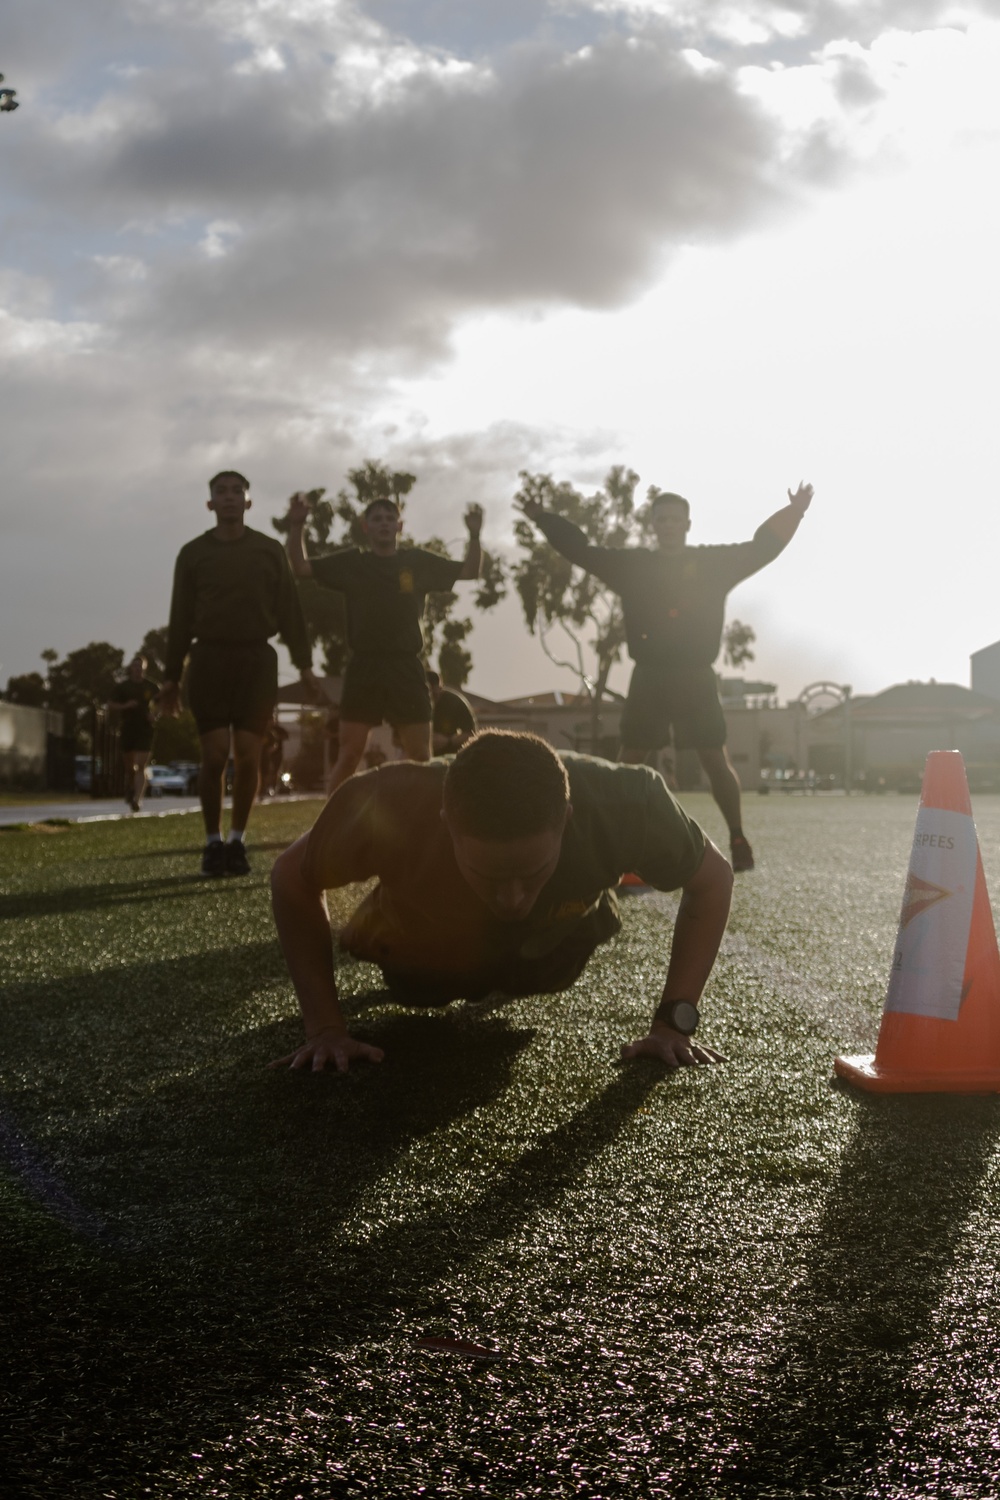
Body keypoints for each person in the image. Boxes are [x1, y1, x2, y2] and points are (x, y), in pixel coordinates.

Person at [270, 729, 733, 1075]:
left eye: (530, 874)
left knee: (546, 966)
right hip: (425, 954)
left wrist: (675, 1022)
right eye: (491, 876)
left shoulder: (629, 801)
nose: (512, 900)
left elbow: (713, 879)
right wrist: (326, 1028)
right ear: (446, 822)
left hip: (555, 951)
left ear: (566, 820)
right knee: (418, 989)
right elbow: (291, 877)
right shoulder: (389, 801)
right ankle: (382, 916)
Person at [518, 482, 815, 871]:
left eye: (676, 519)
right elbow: (580, 550)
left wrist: (794, 512)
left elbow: (762, 547)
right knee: (632, 761)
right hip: (650, 676)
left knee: (714, 758)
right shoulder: (633, 566)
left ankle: (738, 837)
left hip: (697, 676)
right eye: (663, 519)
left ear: (688, 524)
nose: (670, 526)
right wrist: (543, 518)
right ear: (653, 524)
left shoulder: (713, 565)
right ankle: (620, 842)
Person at [159, 471, 320, 877]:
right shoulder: (193, 554)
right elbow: (179, 618)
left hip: (256, 662)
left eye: (237, 492)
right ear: (210, 504)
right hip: (209, 660)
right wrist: (171, 677)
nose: (229, 498)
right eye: (220, 492)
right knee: (213, 756)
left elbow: (290, 612)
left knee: (249, 756)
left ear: (248, 503)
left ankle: (237, 841)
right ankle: (212, 843)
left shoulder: (268, 551)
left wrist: (305, 666)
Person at [284, 492, 483, 793]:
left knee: (420, 756)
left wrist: (475, 534)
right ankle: (331, 830)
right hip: (364, 665)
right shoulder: (352, 563)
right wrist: (296, 525)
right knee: (350, 754)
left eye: (390, 518)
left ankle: (424, 825)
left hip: (405, 665)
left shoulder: (417, 562)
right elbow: (299, 567)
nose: (384, 523)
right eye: (377, 519)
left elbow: (470, 571)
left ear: (400, 526)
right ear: (366, 527)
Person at [106, 654, 159, 812]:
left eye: (140, 667)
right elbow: (110, 704)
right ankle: (131, 786)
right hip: (128, 727)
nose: (137, 670)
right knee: (130, 767)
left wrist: (155, 715)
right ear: (131, 668)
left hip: (145, 729)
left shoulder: (151, 686)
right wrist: (125, 706)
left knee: (142, 764)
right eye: (135, 667)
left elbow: (161, 701)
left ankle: (138, 799)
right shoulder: (123, 687)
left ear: (144, 669)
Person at [426, 669, 478, 755]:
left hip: (450, 755)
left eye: (434, 694)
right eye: (428, 694)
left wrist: (448, 741)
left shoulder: (455, 702)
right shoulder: (412, 702)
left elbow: (472, 734)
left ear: (441, 689)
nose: (431, 699)